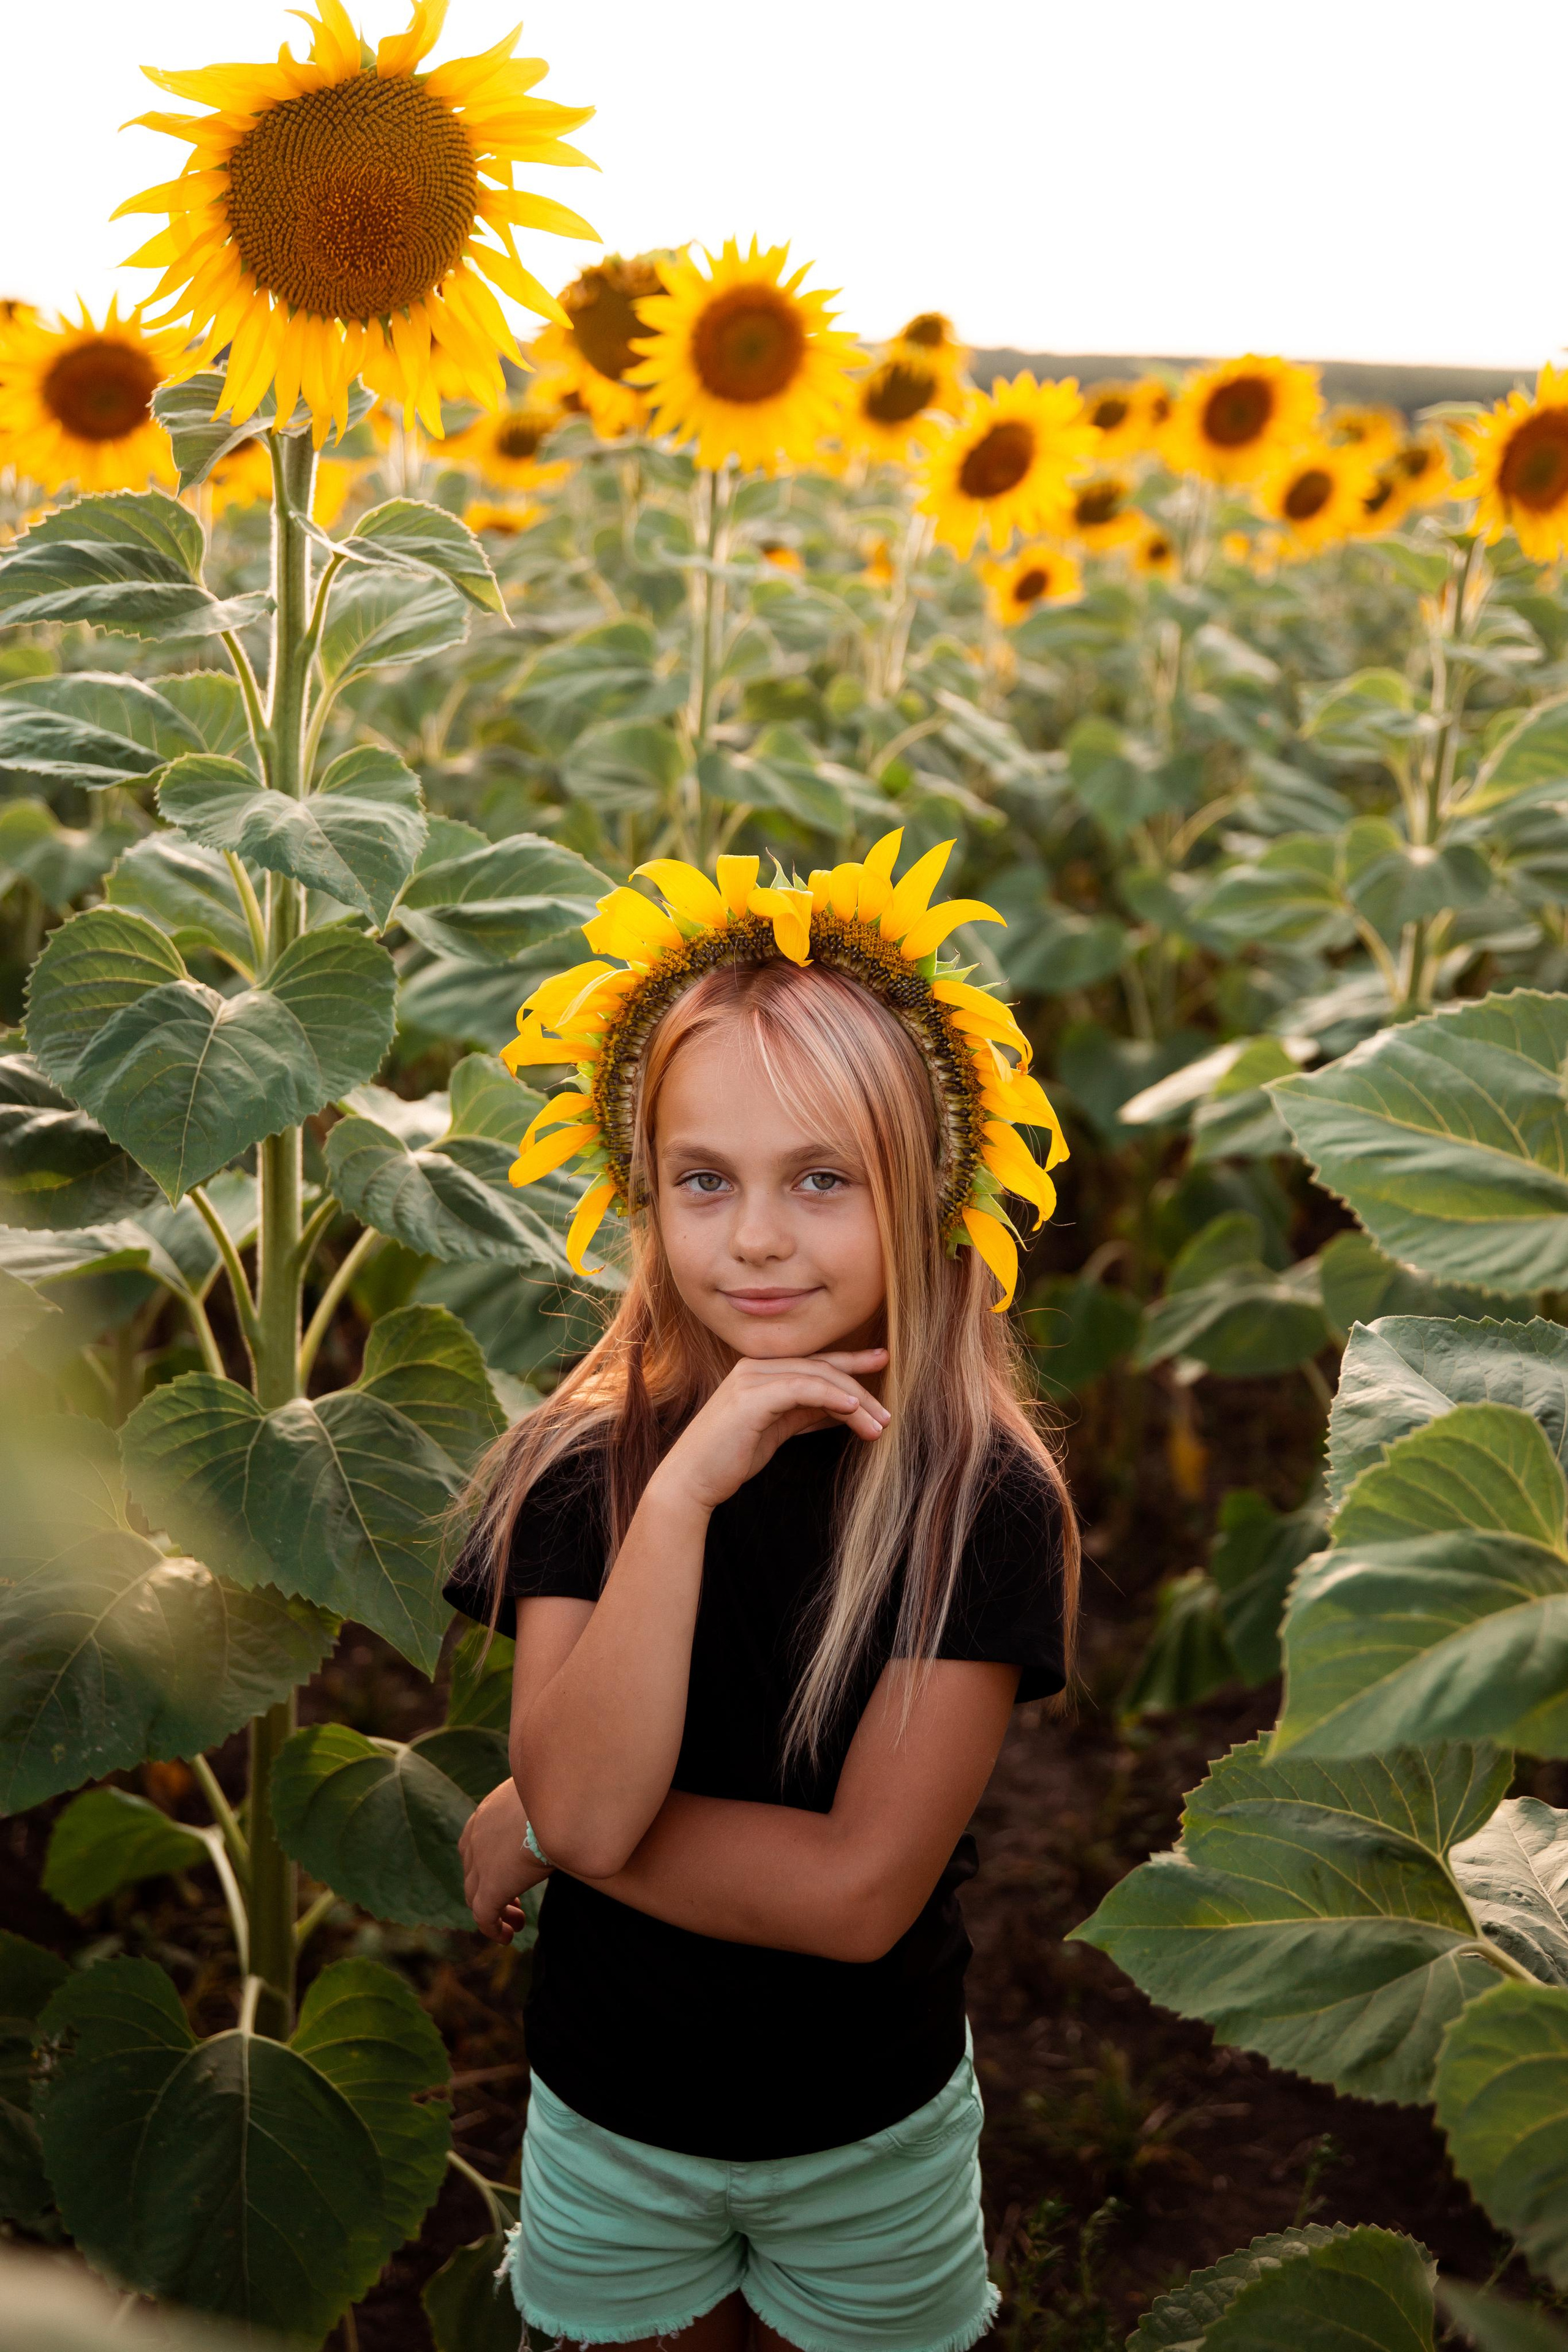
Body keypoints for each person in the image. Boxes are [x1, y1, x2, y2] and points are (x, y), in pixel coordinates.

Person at [450, 832, 1079, 2352]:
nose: (753, 1237)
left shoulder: (974, 1498)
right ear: (640, 1193)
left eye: (820, 1179)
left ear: (931, 1188)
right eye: (702, 1180)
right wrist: (679, 1496)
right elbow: (589, 1805)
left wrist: (545, 1825)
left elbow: (854, 1898)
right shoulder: (585, 1467)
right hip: (610, 2113)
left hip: (863, 2130)